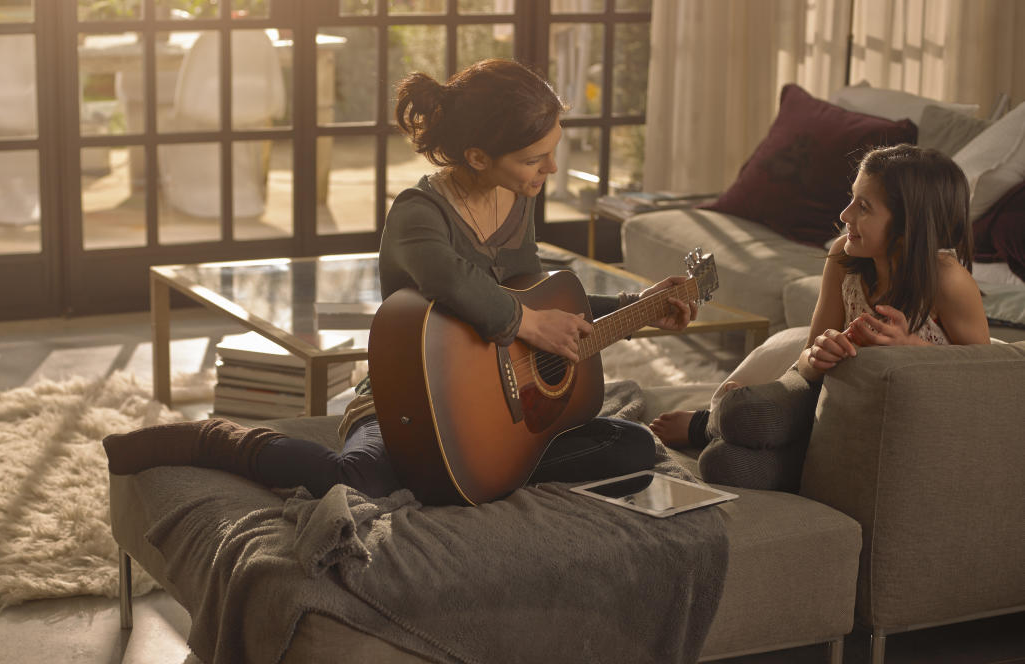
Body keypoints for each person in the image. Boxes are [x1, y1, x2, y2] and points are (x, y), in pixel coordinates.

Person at [103, 59, 699, 499]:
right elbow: (450, 280)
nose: (551, 167)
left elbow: (541, 300)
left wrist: (639, 304)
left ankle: (488, 466)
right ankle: (215, 440)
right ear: (475, 157)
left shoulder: (515, 199)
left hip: (500, 407)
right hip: (410, 399)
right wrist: (528, 323)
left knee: (632, 445)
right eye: (533, 158)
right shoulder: (418, 213)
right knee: (354, 479)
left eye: (551, 151)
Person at [647, 143, 989, 489]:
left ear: (908, 224)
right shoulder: (844, 256)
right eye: (852, 198)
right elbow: (808, 359)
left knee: (724, 463)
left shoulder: (948, 282)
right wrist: (820, 353)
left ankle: (712, 427)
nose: (845, 215)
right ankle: (719, 423)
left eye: (864, 207)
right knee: (739, 413)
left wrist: (910, 349)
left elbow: (986, 382)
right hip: (823, 393)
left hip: (883, 426)